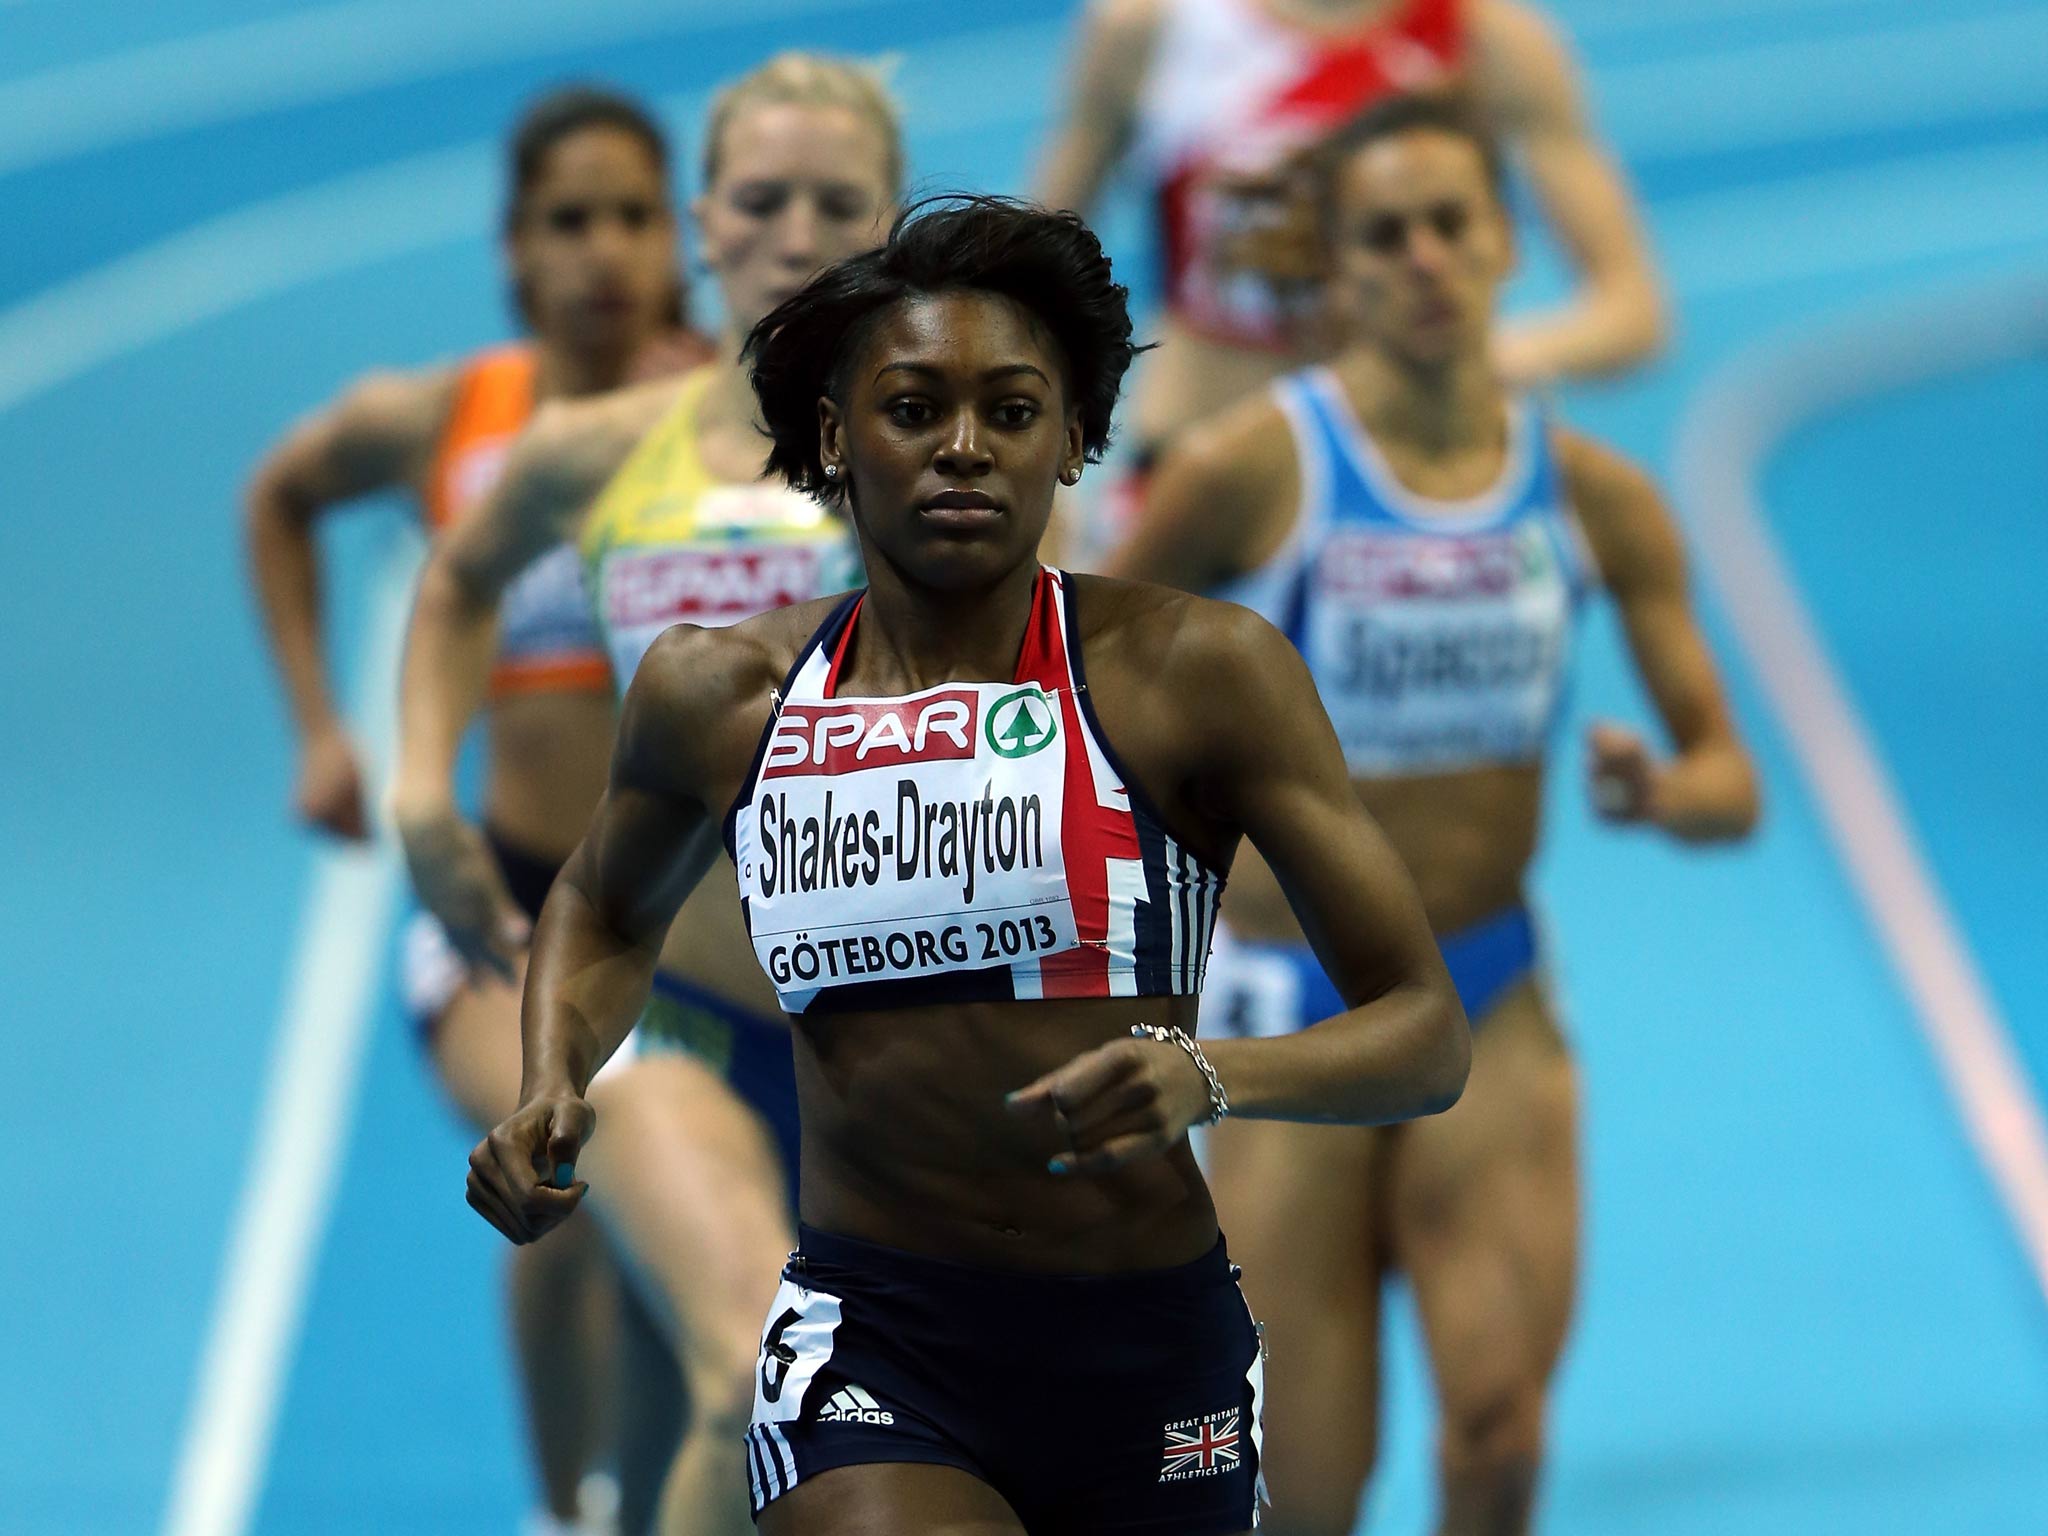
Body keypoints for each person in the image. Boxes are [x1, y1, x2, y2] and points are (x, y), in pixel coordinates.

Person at [461, 194, 1471, 1536]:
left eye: (1010, 411)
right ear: (834, 436)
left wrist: (1212, 1075)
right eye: (913, 408)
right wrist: (552, 1080)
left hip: (1149, 1353)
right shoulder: (726, 693)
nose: (962, 450)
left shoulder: (1196, 676)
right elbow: (597, 903)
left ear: (1074, 443)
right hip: (875, 1343)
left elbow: (1423, 1033)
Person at [1108, 95, 1760, 1535]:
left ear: (1506, 245)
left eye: (1450, 224)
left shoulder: (1598, 497)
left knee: (1498, 1432)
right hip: (1293, 1017)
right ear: (1334, 274)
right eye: (1383, 235)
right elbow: (1089, 685)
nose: (1422, 259)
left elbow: (1732, 783)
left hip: (1489, 996)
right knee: (1313, 1488)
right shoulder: (1245, 474)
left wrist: (1663, 793)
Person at [395, 53, 904, 1536]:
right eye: (761, 198)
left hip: (882, 1025)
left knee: (862, 1419)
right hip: (669, 1011)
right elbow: (455, 580)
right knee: (759, 1365)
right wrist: (427, 792)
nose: (795, 231)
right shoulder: (597, 454)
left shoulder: (939, 457)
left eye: (837, 199)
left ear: (890, 224)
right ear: (705, 220)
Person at [241, 84, 710, 1535]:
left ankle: (641, 1504)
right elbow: (279, 496)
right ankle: (562, 1515)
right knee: (562, 1160)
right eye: (570, 221)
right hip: (502, 913)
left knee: (670, 1263)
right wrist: (322, 729)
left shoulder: (733, 419)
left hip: (696, 926)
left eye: (633, 215)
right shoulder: (451, 417)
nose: (603, 253)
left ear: (679, 237)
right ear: (515, 249)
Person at [1034, 0, 1665, 539]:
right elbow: (1026, 290)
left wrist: (1483, 358)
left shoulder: (1487, 41)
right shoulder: (1154, 29)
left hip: (1410, 500)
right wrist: (1047, 476)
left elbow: (1632, 311)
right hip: (1195, 485)